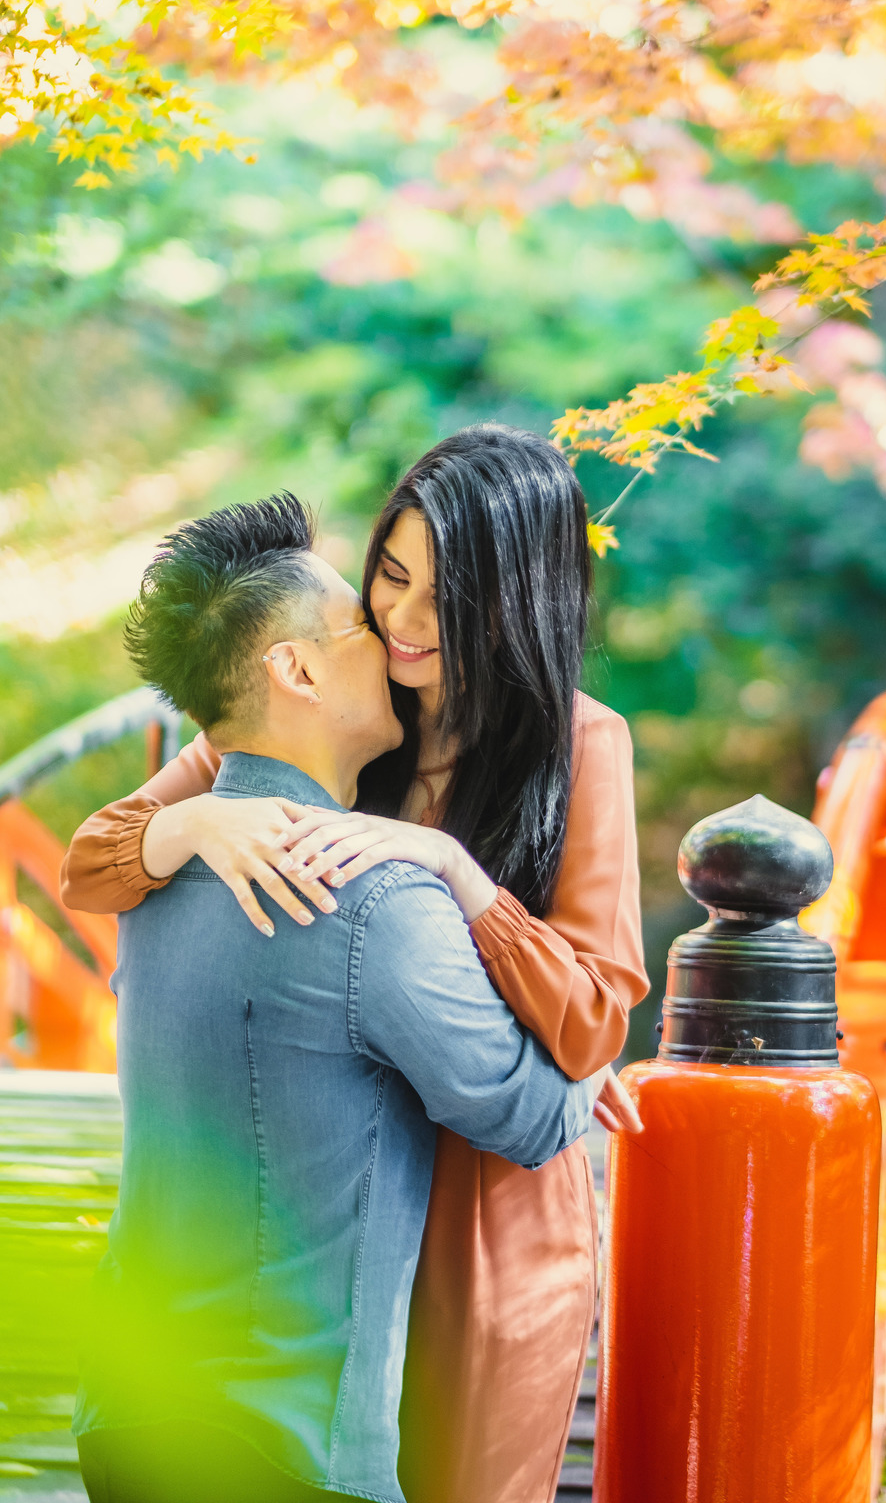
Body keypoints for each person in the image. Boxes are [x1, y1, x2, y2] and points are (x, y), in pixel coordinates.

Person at [64, 424, 649, 1503]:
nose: (404, 622)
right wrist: (188, 832)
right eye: (390, 577)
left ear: (517, 600)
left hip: (486, 1214)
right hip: (333, 1185)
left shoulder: (578, 743)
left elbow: (593, 1015)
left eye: (447, 596)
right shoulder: (326, 694)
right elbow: (94, 868)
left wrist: (456, 874)